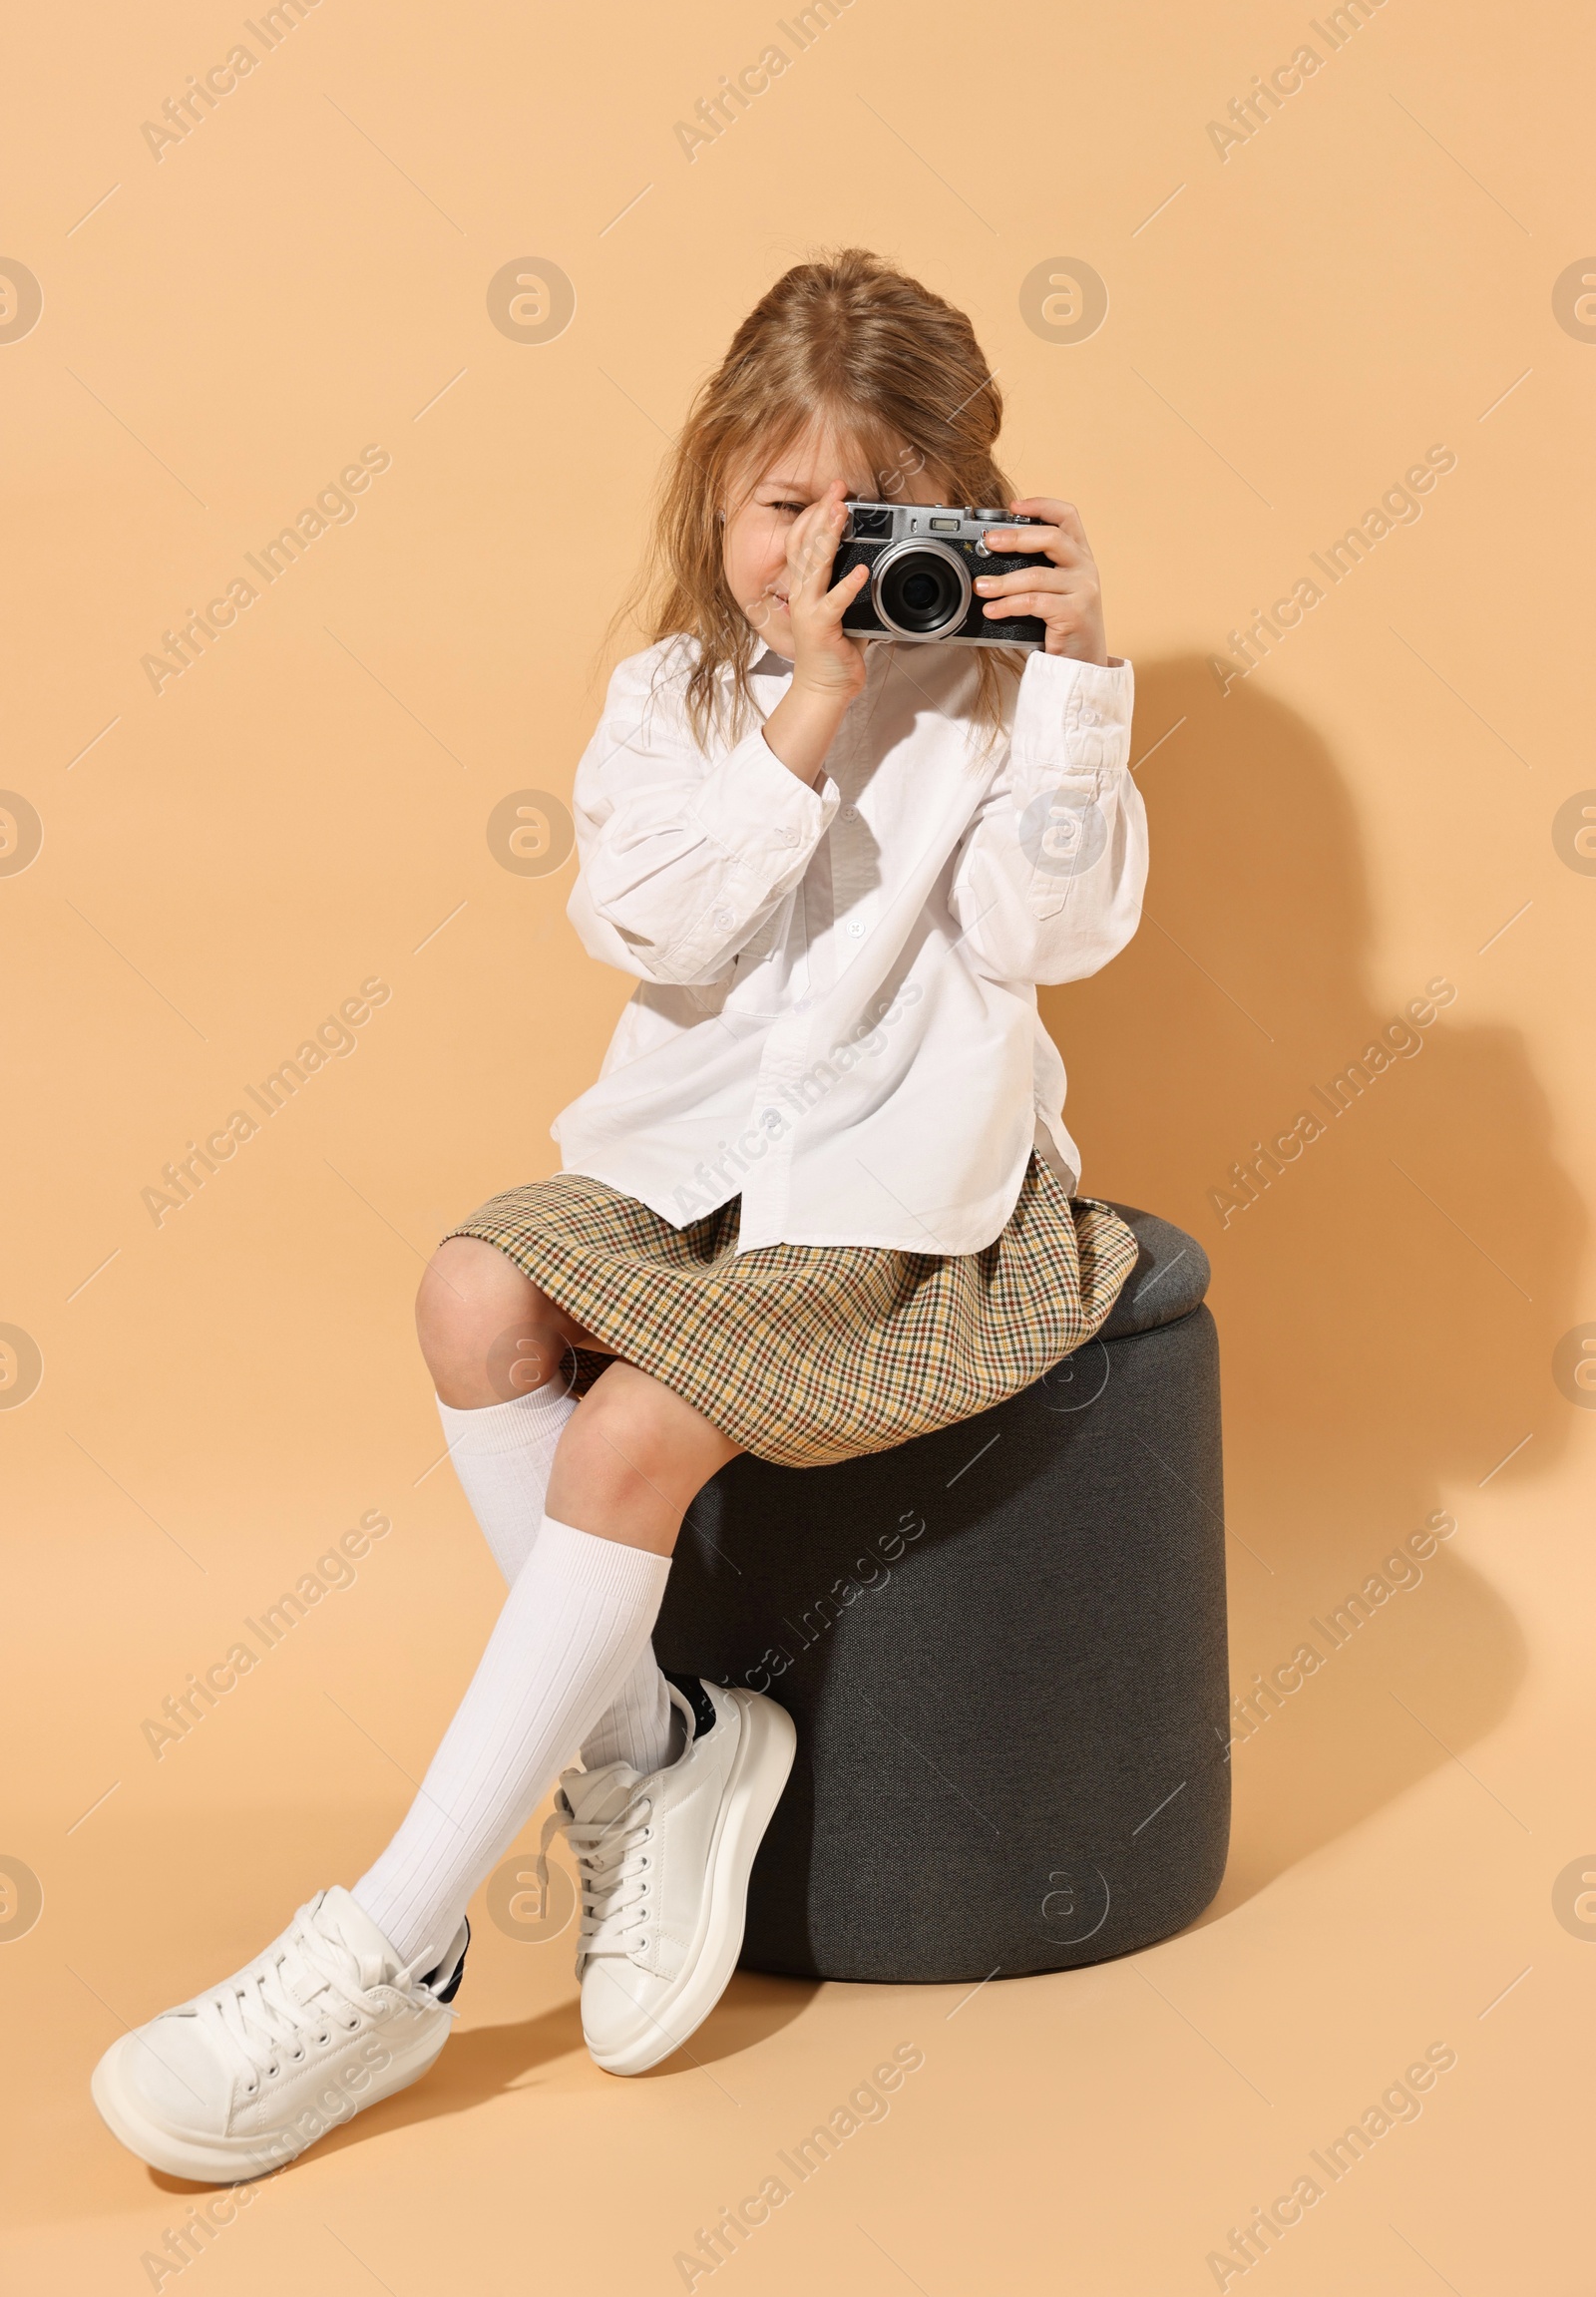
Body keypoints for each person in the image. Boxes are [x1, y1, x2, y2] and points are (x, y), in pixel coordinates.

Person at [91, 248, 1148, 2180]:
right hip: (685, 1169)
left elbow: (1048, 937)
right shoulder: (670, 699)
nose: (819, 557)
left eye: (872, 511)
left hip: (908, 1197)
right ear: (713, 498)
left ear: (966, 510)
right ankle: (655, 1752)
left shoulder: (1007, 703)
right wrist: (804, 713)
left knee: (641, 1429)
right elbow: (654, 926)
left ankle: (385, 1948)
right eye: (780, 509)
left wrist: (1072, 689)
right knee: (469, 1290)